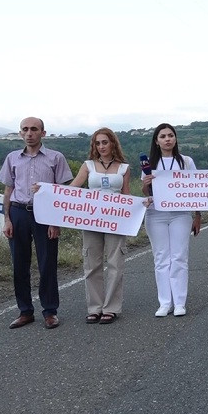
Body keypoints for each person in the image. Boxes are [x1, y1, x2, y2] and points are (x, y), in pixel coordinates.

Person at [0, 117, 73, 329]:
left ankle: (50, 311)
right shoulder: (12, 158)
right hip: (19, 212)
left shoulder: (55, 157)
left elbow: (61, 191)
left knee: (47, 263)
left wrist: (55, 221)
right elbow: (8, 190)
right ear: (20, 133)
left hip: (45, 214)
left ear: (43, 133)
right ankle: (25, 311)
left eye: (34, 129)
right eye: (25, 129)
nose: (29, 133)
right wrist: (7, 219)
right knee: (19, 264)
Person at [68, 128, 131, 324]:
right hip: (92, 219)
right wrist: (45, 190)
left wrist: (140, 206)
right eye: (98, 143)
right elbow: (72, 188)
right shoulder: (88, 166)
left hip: (115, 219)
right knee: (91, 263)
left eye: (105, 142)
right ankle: (94, 307)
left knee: (115, 263)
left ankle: (111, 308)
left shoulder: (124, 168)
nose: (101, 146)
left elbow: (126, 194)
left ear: (113, 143)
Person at [141, 123, 201, 317]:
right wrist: (145, 185)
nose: (167, 139)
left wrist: (197, 214)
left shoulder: (186, 161)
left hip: (180, 214)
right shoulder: (149, 164)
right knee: (161, 258)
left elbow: (196, 189)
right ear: (157, 141)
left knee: (179, 257)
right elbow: (145, 193)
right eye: (163, 136)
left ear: (175, 139)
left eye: (170, 135)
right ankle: (165, 302)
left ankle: (180, 302)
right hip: (155, 213)